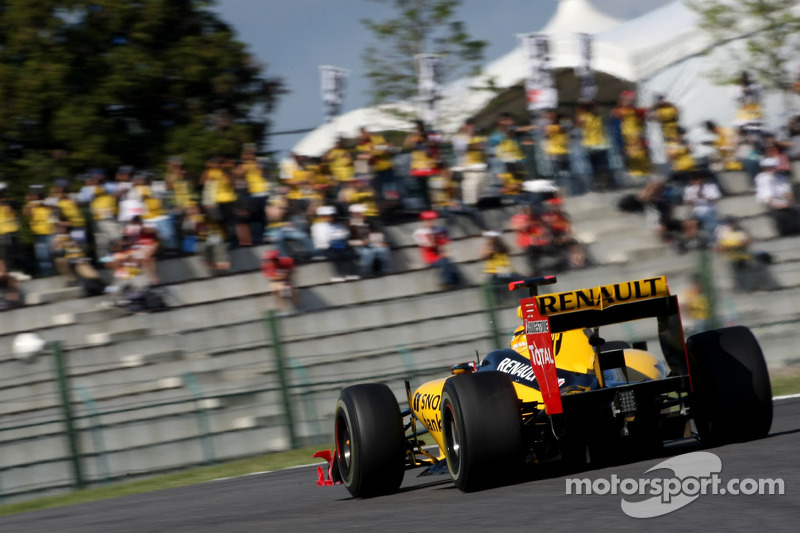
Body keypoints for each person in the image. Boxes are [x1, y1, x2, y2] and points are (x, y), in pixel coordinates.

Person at [413, 210, 462, 289]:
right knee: (445, 261)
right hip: (431, 258)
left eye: (432, 219)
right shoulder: (419, 232)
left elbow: (445, 243)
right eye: (428, 220)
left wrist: (445, 251)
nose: (431, 222)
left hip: (441, 255)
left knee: (449, 262)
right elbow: (431, 245)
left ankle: (454, 284)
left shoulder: (440, 229)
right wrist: (431, 233)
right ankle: (446, 282)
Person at [311, 205, 359, 282]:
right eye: (327, 216)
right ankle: (337, 274)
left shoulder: (339, 225)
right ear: (321, 216)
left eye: (331, 216)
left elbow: (346, 234)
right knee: (335, 255)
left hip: (339, 245)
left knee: (349, 254)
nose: (330, 218)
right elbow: (323, 239)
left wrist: (333, 236)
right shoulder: (316, 226)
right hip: (324, 247)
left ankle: (351, 273)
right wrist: (336, 235)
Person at [755, 157, 800, 236]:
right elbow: (768, 198)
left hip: (784, 203)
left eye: (774, 167)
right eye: (770, 167)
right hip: (771, 204)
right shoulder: (762, 178)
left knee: (796, 210)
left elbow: (788, 193)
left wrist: (789, 201)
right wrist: (781, 205)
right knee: (781, 215)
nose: (773, 169)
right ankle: (786, 234)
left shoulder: (781, 177)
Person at [347, 203, 393, 277]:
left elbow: (375, 234)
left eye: (363, 213)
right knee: (367, 253)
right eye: (360, 213)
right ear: (353, 214)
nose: (363, 215)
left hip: (371, 244)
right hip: (357, 247)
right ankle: (365, 273)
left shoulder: (368, 223)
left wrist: (380, 243)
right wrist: (360, 242)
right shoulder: (349, 225)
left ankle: (387, 271)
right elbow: (348, 241)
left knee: (384, 250)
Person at [262, 249, 299, 314]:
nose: (271, 261)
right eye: (270, 260)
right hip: (275, 280)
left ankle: (297, 308)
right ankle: (281, 310)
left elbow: (291, 272)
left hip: (287, 278)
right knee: (276, 291)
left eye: (273, 260)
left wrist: (285, 278)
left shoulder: (287, 261)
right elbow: (272, 278)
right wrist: (282, 276)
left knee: (290, 290)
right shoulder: (266, 265)